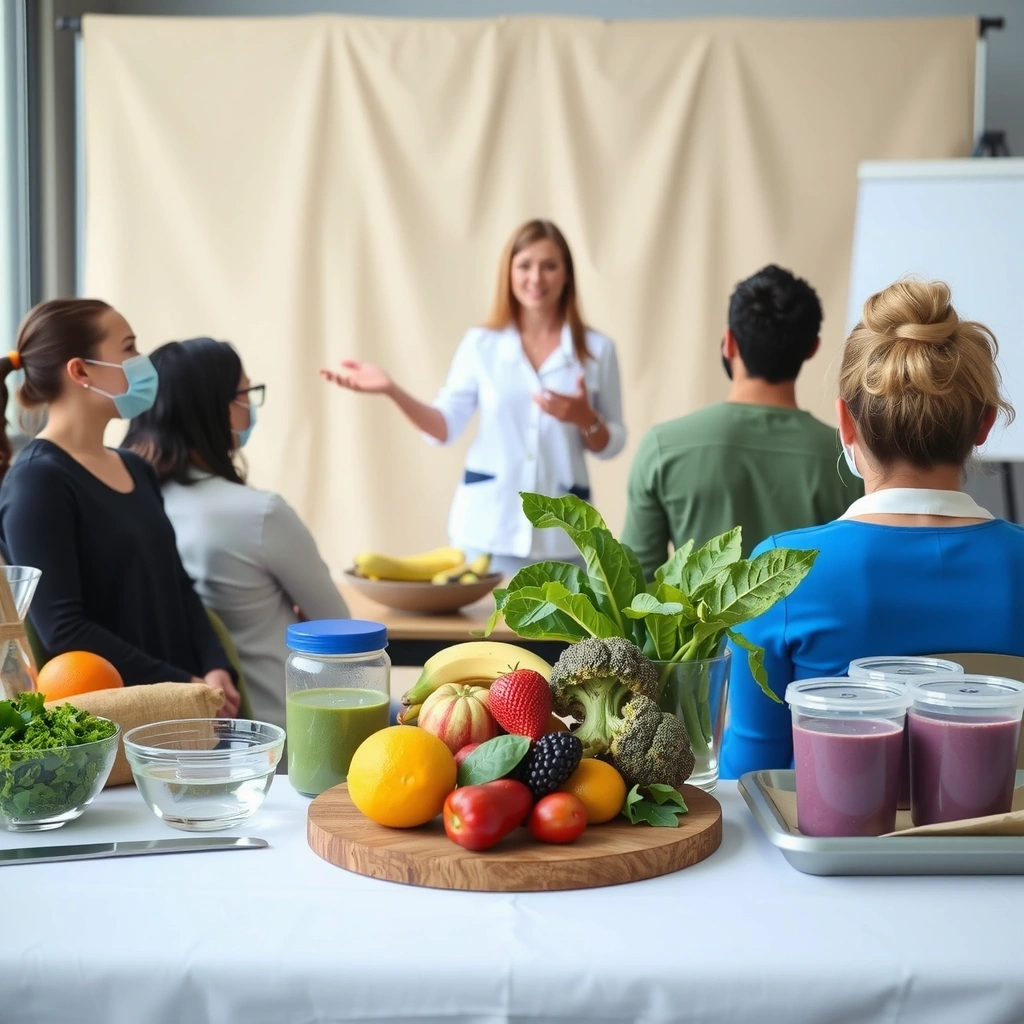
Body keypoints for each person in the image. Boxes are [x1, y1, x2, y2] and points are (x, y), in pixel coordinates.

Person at [720, 278, 1024, 779]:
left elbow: (749, 777)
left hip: (831, 833)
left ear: (845, 422)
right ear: (985, 423)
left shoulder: (781, 575)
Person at [320, 219, 626, 576]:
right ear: (508, 272)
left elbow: (612, 444)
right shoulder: (480, 345)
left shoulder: (598, 350)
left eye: (549, 266)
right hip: (487, 531)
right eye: (524, 265)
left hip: (564, 536)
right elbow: (444, 426)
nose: (536, 278)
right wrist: (392, 390)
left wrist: (585, 418)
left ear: (567, 274)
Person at [0, 299, 240, 714]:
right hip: (124, 718)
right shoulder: (37, 481)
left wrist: (215, 665)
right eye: (129, 347)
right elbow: (64, 630)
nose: (141, 360)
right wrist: (180, 684)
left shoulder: (135, 467)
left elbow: (177, 584)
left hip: (191, 706)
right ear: (80, 371)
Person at [124, 338, 350, 730]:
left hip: (178, 733)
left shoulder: (131, 511)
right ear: (214, 409)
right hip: (285, 730)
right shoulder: (259, 513)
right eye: (245, 393)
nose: (249, 405)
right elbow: (339, 630)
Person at [621, 264, 861, 576]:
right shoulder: (850, 457)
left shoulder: (661, 448)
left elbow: (634, 583)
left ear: (730, 342)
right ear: (812, 348)